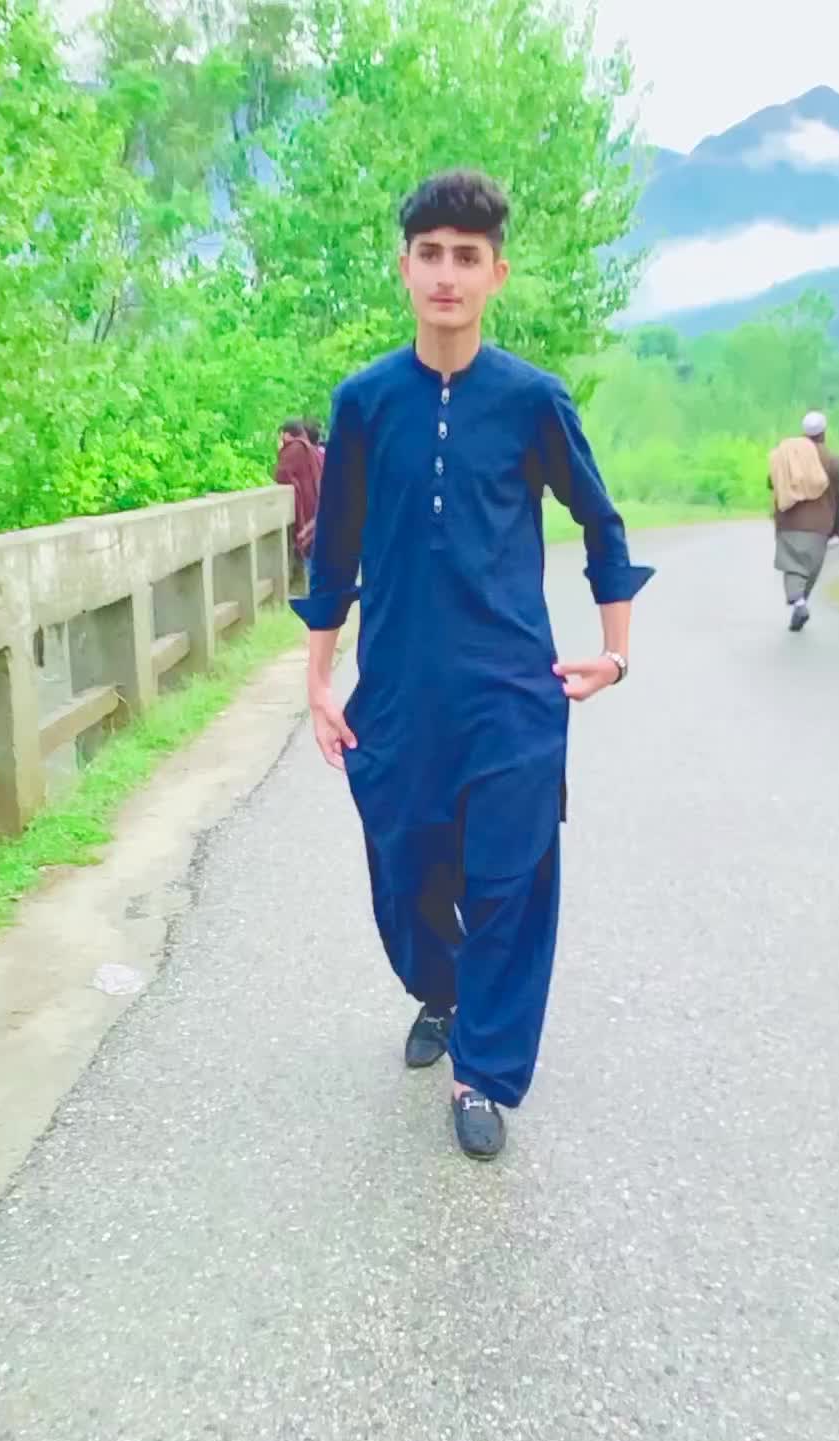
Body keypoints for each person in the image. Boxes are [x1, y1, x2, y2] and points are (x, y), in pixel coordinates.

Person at [291, 169, 653, 1160]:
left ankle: (481, 1071)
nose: (446, 274)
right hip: (398, 697)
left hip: (511, 695)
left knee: (509, 881)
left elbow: (602, 523)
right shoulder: (365, 403)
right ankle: (442, 990)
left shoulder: (532, 400)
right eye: (430, 255)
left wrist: (616, 654)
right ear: (405, 267)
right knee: (407, 873)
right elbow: (334, 550)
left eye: (466, 256)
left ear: (497, 273)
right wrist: (319, 680)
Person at [768, 411, 839, 631]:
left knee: (793, 567)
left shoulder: (788, 455)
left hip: (790, 522)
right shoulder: (833, 460)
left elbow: (772, 482)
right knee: (811, 570)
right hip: (821, 525)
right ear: (823, 433)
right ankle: (800, 604)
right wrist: (837, 526)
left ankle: (799, 604)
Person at [275, 419, 323, 586]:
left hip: (306, 511)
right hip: (316, 509)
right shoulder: (310, 448)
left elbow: (282, 475)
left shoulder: (294, 449)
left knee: (308, 558)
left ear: (287, 434)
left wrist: (281, 451)